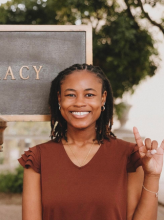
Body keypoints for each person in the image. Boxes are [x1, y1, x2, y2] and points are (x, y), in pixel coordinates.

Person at [18, 63, 164, 220]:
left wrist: (152, 176)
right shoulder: (37, 158)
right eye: (70, 95)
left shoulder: (130, 156)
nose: (80, 102)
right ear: (59, 98)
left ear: (103, 98)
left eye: (89, 95)